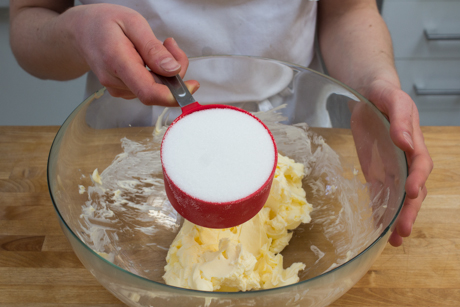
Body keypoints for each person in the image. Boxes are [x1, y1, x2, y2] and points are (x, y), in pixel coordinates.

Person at [9, 0, 432, 247]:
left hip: (291, 138)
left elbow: (347, 11)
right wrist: (76, 32)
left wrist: (377, 84)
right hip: (123, 138)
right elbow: (32, 16)